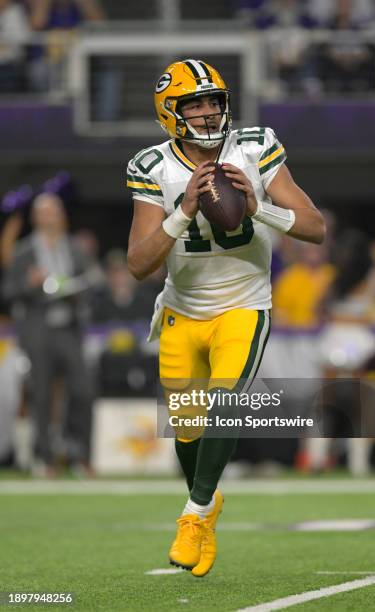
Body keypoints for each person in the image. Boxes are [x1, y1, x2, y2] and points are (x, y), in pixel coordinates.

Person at [126, 59, 325, 577]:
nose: (209, 112)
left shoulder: (255, 147)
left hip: (244, 303)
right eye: (195, 104)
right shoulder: (152, 166)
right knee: (188, 435)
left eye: (214, 101)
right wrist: (184, 210)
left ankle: (193, 516)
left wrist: (260, 207)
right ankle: (208, 505)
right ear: (170, 113)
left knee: (226, 402)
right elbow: (138, 264)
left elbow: (314, 227)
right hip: (181, 310)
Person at [2, 193, 94, 476]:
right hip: (38, 330)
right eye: (44, 212)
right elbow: (8, 292)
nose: (50, 217)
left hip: (69, 328)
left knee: (82, 391)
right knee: (41, 394)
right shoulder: (23, 251)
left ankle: (79, 456)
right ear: (36, 218)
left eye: (54, 211)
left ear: (61, 214)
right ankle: (46, 458)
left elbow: (90, 284)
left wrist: (79, 293)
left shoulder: (75, 248)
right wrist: (30, 284)